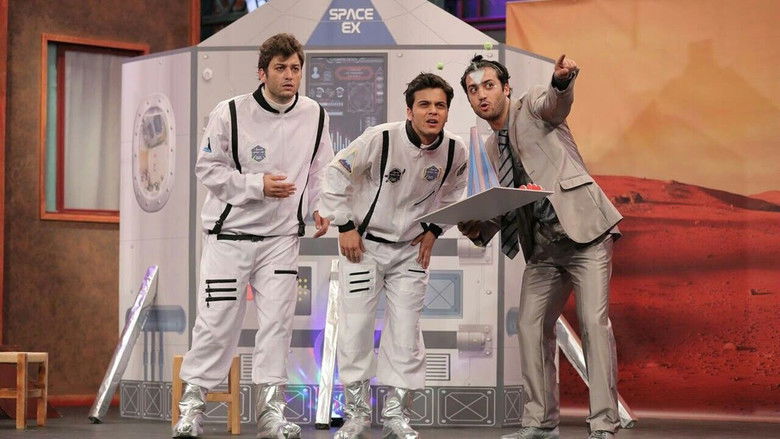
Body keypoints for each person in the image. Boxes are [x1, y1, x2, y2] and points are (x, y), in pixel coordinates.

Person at [173, 33, 334, 439]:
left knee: (278, 325)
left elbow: (320, 168)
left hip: (281, 239)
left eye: (295, 68)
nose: (289, 76)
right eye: (280, 68)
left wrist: (320, 205)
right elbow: (207, 168)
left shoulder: (315, 114)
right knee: (216, 324)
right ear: (262, 73)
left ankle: (270, 415)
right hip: (230, 236)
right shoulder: (229, 112)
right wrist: (256, 185)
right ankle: (191, 410)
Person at [457, 55, 623, 439]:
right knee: (530, 326)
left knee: (594, 324)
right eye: (473, 90)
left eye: (488, 85)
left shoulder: (532, 106)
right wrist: (477, 227)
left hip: (585, 235)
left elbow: (555, 103)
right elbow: (509, 203)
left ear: (506, 88)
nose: (481, 95)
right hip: (545, 250)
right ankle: (540, 423)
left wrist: (561, 82)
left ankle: (604, 424)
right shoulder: (491, 147)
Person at [319, 73, 468, 439]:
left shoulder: (455, 150)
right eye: (424, 104)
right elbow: (335, 174)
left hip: (410, 252)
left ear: (447, 112)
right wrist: (345, 226)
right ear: (409, 110)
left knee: (406, 334)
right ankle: (356, 415)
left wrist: (434, 231)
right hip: (364, 247)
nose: (432, 112)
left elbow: (456, 194)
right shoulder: (381, 138)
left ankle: (395, 415)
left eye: (440, 106)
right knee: (355, 329)